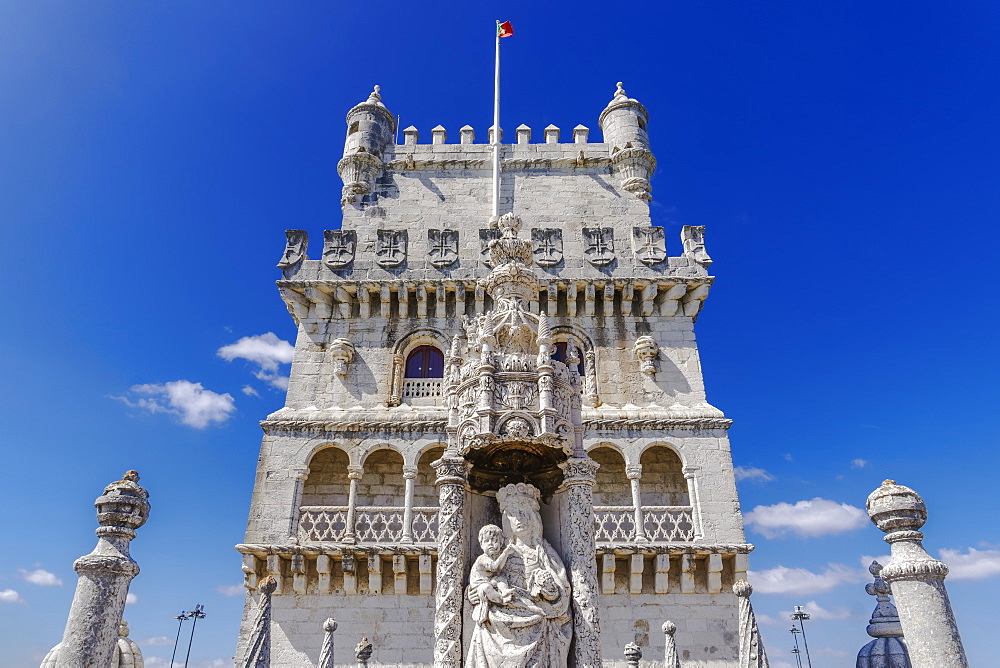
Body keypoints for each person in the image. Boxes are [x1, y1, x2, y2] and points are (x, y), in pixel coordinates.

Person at [467, 483, 572, 667]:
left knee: (542, 620)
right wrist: (473, 592)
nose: (519, 519)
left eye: (524, 512)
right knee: (486, 622)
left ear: (534, 518)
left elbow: (561, 591)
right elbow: (482, 576)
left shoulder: (543, 552)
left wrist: (548, 589)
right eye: (513, 514)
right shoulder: (499, 551)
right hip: (501, 614)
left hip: (536, 614)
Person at [469, 524, 515, 626]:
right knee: (487, 587)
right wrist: (506, 553)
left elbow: (498, 568)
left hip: (489, 581)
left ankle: (505, 591)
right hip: (479, 586)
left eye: (494, 541)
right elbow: (496, 567)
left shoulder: (496, 557)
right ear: (481, 544)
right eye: (486, 541)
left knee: (500, 578)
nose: (490, 544)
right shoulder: (482, 559)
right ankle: (501, 599)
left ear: (501, 543)